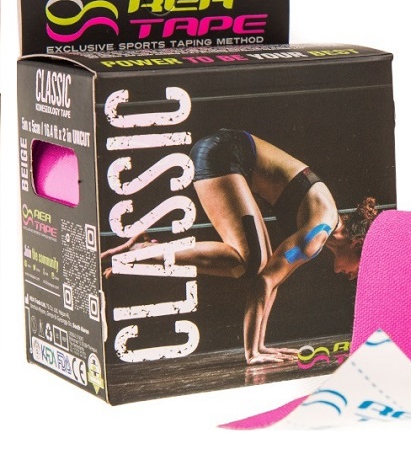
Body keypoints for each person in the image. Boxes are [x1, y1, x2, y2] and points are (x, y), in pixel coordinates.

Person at [102, 128, 380, 365]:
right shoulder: (317, 233)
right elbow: (264, 282)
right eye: (360, 269)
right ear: (358, 244)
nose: (354, 276)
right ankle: (143, 253)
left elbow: (272, 280)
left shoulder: (323, 227)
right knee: (248, 262)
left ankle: (146, 250)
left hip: (229, 153)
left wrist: (261, 346)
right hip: (223, 153)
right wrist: (252, 352)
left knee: (259, 264)